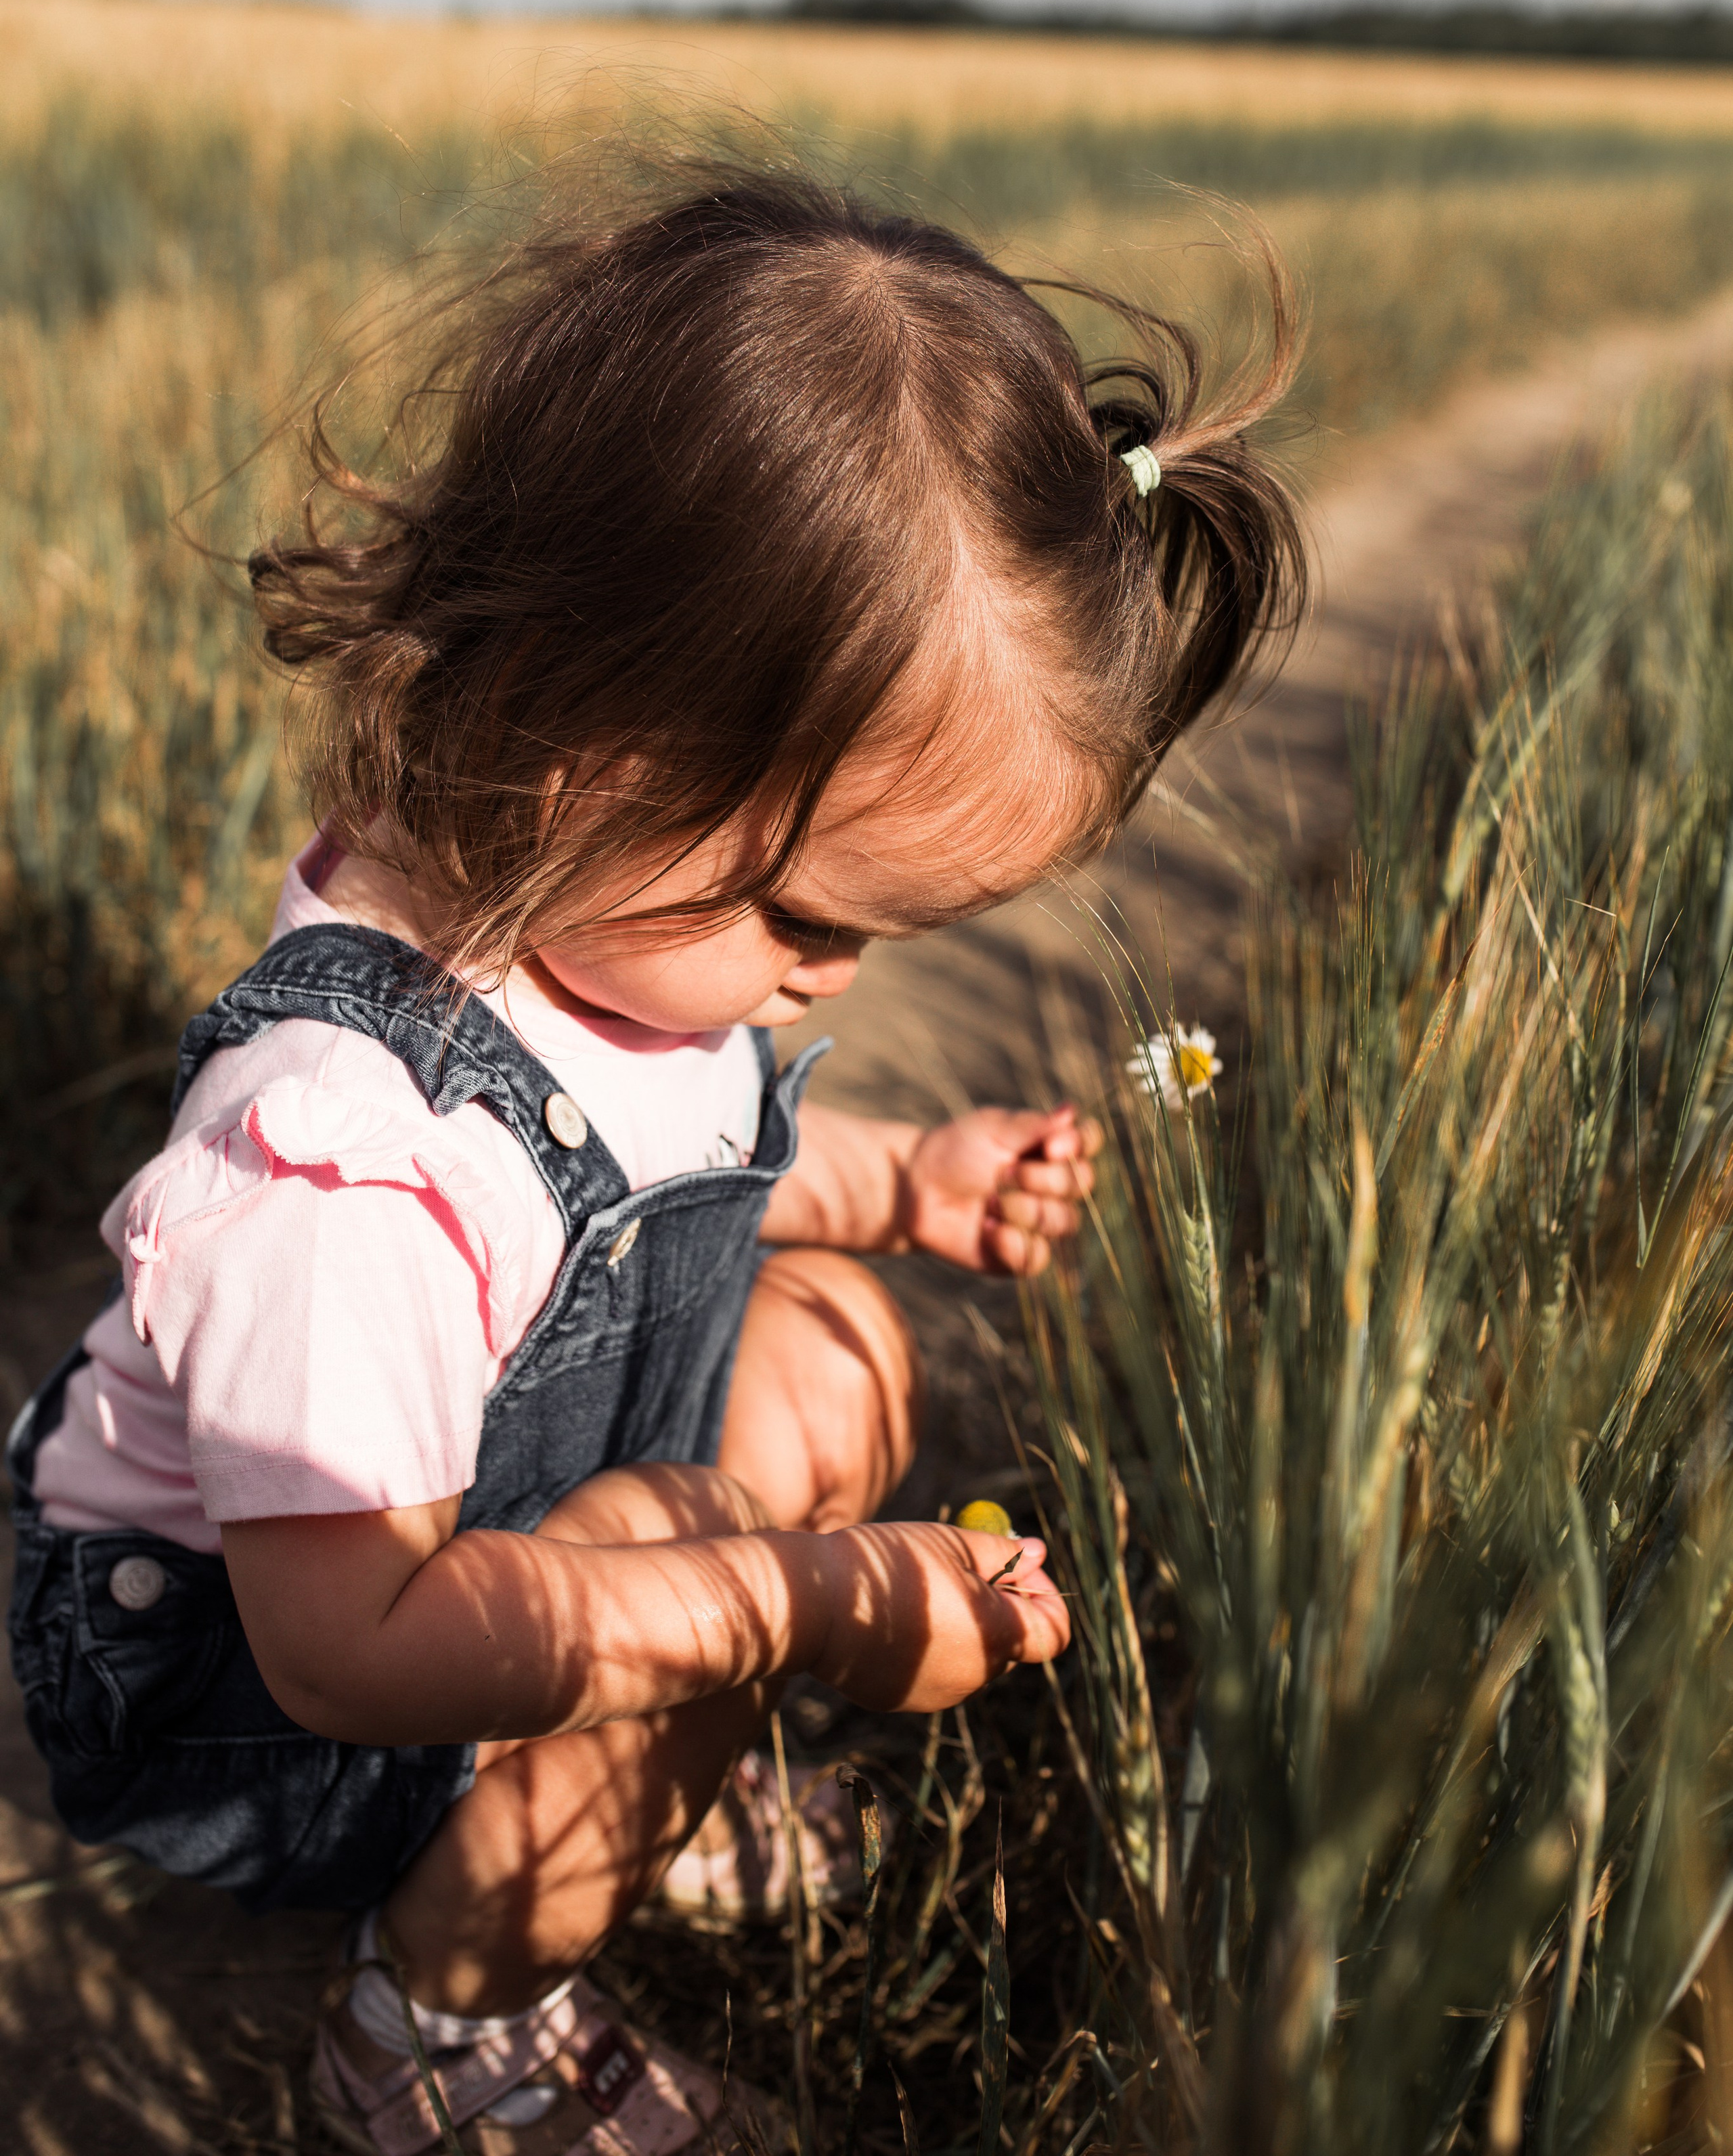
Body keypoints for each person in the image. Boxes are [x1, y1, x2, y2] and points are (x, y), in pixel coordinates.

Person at [7, 166, 1304, 2153]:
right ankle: (435, 2034)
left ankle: (643, 1778)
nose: (819, 986)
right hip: (267, 1684)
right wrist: (788, 1603)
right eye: (809, 921)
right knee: (710, 1524)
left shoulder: (612, 935)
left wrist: (906, 1181)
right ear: (578, 747)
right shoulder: (342, 1164)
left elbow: (670, 1177)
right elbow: (357, 1648)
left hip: (473, 1557)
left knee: (846, 1343)